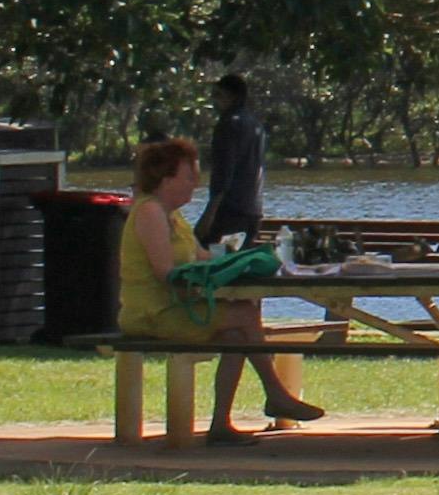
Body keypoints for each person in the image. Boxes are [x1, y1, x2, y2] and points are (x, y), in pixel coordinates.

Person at [119, 136, 320, 429]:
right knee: (246, 315)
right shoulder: (150, 211)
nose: (195, 184)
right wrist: (203, 276)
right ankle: (276, 394)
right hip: (153, 314)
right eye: (188, 176)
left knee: (238, 336)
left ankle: (221, 425)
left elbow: (202, 257)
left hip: (175, 308)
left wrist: (235, 261)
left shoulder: (173, 217)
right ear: (165, 178)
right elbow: (165, 272)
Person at [198, 71, 270, 250]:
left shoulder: (228, 124)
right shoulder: (256, 125)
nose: (214, 101)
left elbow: (223, 174)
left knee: (215, 264)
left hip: (230, 213)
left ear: (233, 96)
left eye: (218, 95)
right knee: (235, 266)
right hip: (253, 211)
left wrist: (209, 215)